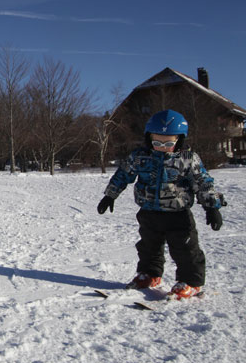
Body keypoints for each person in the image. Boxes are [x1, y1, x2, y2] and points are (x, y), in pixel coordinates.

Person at [96, 109, 226, 299]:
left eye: (168, 143)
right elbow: (123, 174)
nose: (162, 147)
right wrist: (110, 195)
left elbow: (203, 182)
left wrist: (212, 207)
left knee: (185, 249)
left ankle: (191, 282)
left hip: (178, 214)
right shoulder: (140, 156)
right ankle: (150, 274)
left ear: (179, 140)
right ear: (149, 139)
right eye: (156, 142)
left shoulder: (188, 159)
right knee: (148, 246)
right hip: (149, 211)